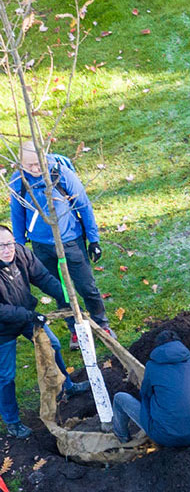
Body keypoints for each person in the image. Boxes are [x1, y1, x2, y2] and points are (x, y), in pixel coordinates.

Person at [9, 140, 109, 334]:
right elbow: (17, 215)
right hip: (41, 245)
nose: (36, 168)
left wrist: (93, 239)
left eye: (40, 163)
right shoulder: (18, 181)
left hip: (71, 241)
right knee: (60, 291)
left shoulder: (61, 174)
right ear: (21, 164)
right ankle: (75, 328)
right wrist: (19, 248)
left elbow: (84, 205)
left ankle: (102, 323)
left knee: (86, 286)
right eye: (30, 165)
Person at [0, 225, 70, 438]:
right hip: (2, 329)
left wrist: (66, 297)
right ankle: (12, 421)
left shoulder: (21, 253)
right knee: (5, 376)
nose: (7, 249)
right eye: (1, 246)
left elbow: (42, 277)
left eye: (10, 243)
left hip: (25, 316)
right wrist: (30, 316)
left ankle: (67, 384)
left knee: (54, 344)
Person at [111, 330, 190, 447]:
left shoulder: (152, 366)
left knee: (119, 398)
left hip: (164, 438)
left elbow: (145, 393)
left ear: (158, 348)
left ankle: (122, 438)